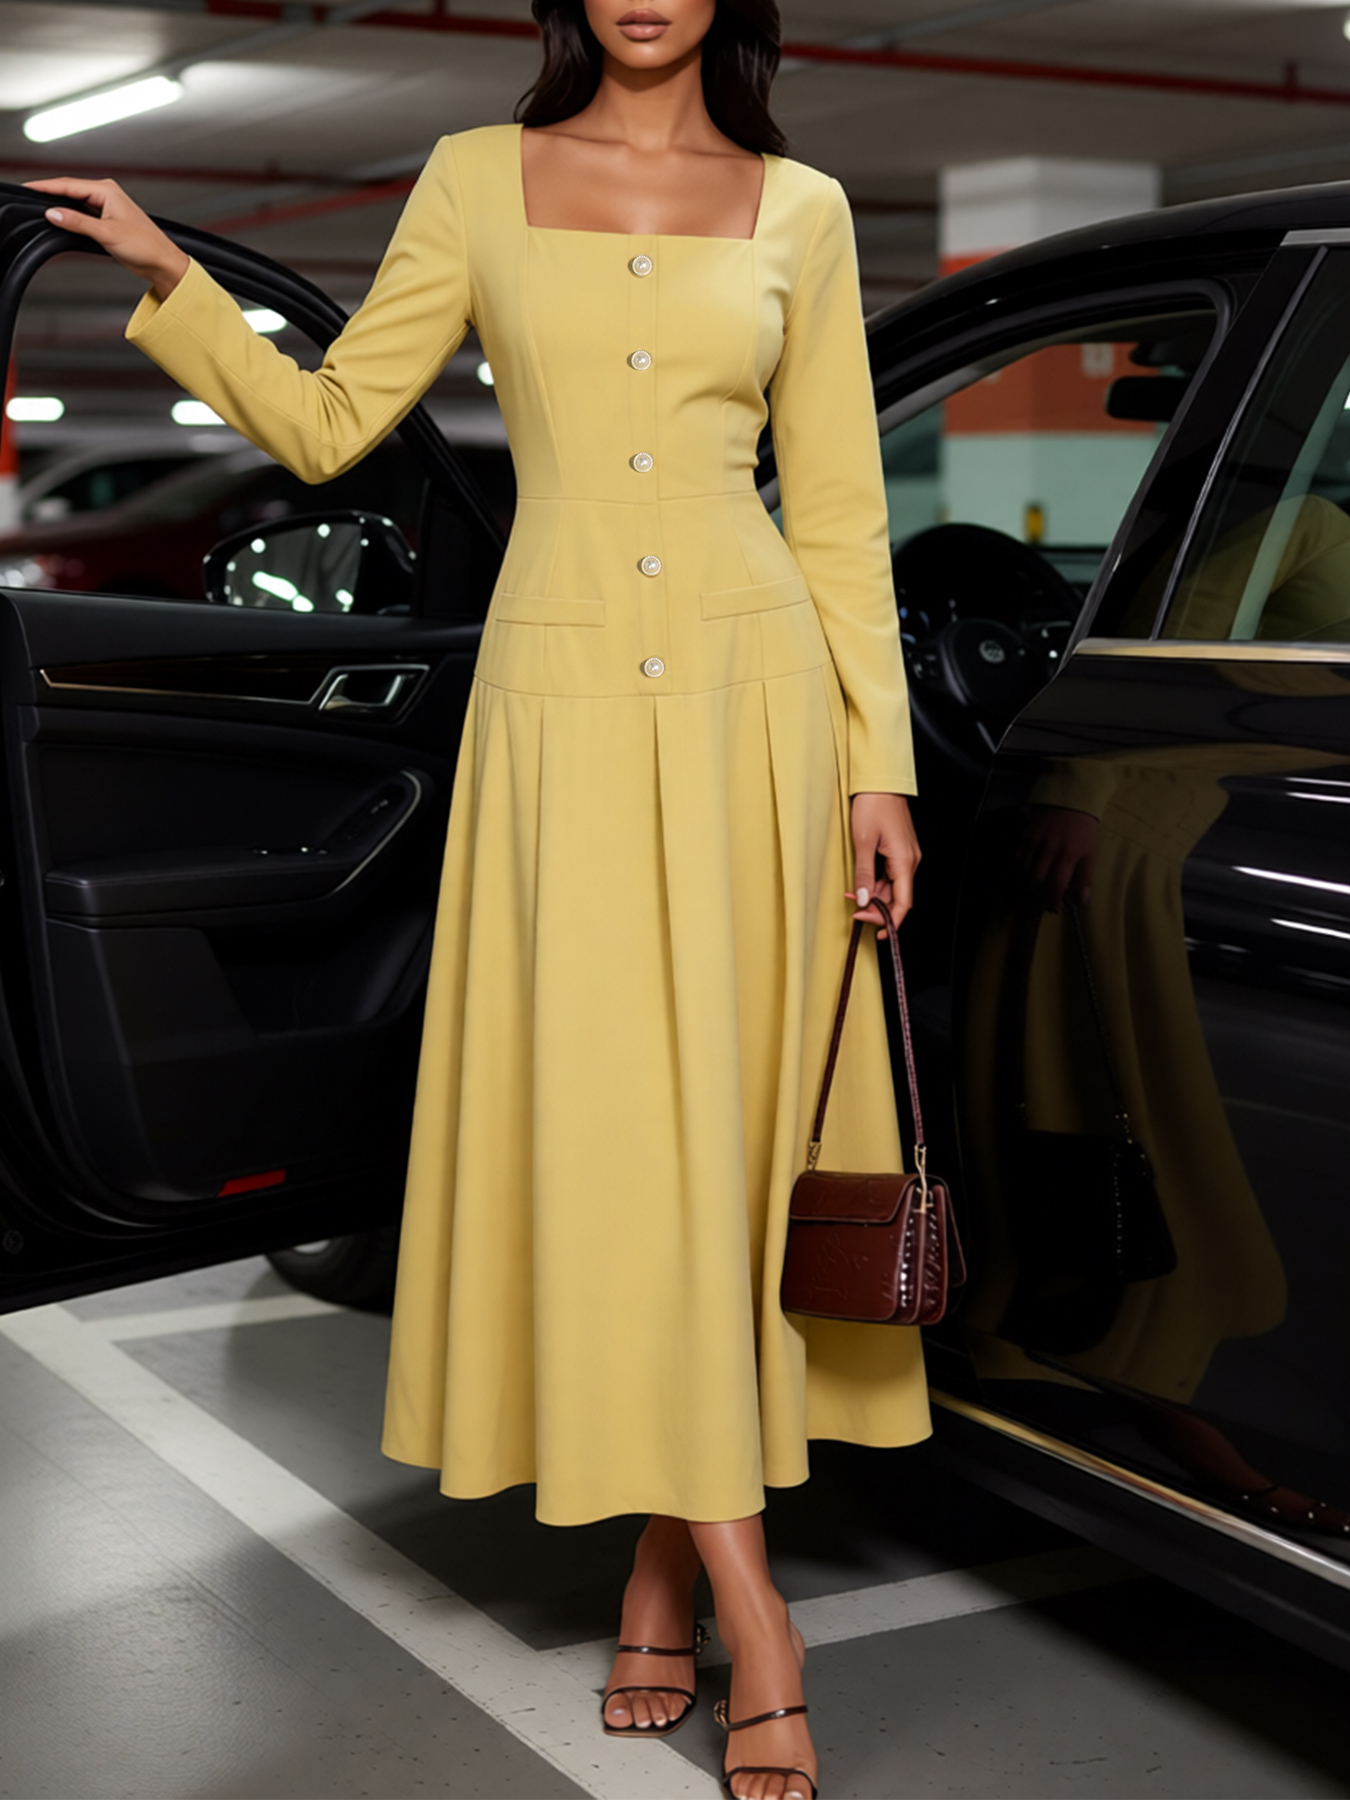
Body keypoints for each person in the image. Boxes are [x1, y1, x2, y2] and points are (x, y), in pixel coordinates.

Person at [30, 4, 925, 1793]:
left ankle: (667, 1571)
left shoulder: (804, 209)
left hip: (762, 714)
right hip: (562, 718)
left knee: (728, 1155)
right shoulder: (475, 180)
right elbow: (332, 419)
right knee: (625, 1150)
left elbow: (836, 512)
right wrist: (170, 277)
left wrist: (875, 764)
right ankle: (764, 1617)